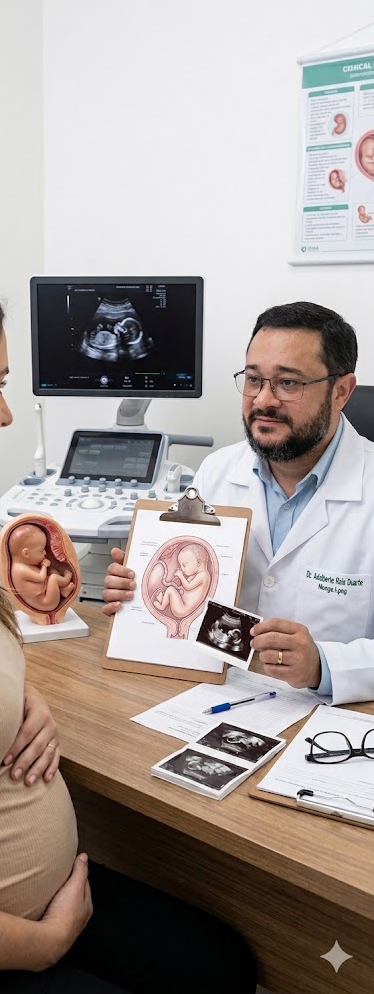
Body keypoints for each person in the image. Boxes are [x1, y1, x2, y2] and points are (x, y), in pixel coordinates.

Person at [0, 257, 256, 994]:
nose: (5, 413)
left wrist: (15, 701)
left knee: (222, 966)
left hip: (43, 893)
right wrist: (42, 945)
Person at [103, 301, 374, 707]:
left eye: (288, 383)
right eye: (253, 380)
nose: (263, 400)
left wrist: (325, 664)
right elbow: (187, 592)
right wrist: (136, 591)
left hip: (331, 722)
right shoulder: (216, 471)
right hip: (217, 698)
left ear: (341, 391)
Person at [8, 522, 75, 611]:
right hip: (46, 603)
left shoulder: (25, 564)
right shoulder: (20, 569)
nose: (45, 553)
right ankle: (66, 581)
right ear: (26, 553)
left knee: (52, 572)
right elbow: (41, 578)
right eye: (41, 551)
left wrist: (46, 568)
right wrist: (44, 566)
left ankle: (62, 590)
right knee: (54, 578)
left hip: (47, 595)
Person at [153, 543, 210, 616]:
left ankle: (162, 606)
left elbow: (188, 586)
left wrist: (181, 576)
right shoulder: (197, 574)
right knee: (172, 589)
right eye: (181, 566)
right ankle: (164, 600)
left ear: (198, 563)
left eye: (184, 565)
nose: (183, 569)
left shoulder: (203, 575)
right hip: (182, 605)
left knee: (171, 589)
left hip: (183, 609)